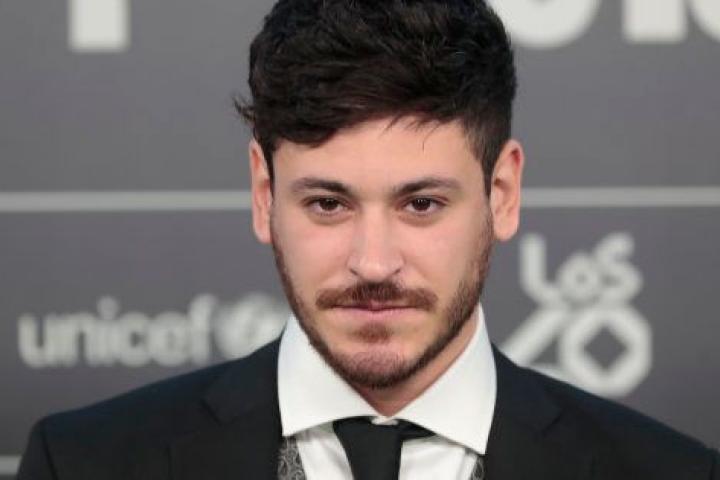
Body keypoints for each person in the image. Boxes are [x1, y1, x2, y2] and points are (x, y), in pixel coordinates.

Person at [17, 0, 719, 479]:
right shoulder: (85, 463)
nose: (374, 263)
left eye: (421, 204)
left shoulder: (671, 472)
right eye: (328, 204)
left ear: (502, 194)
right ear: (263, 195)